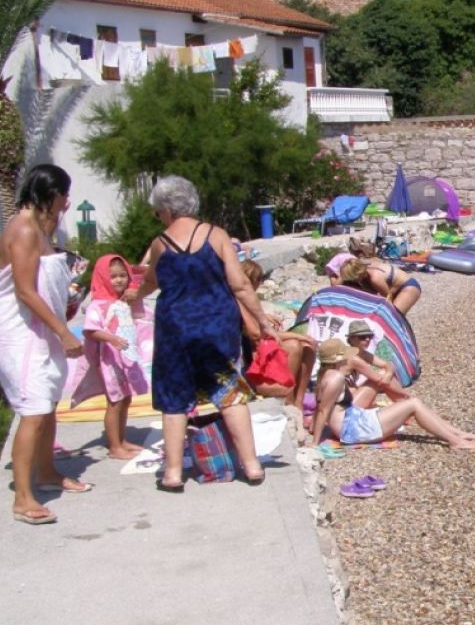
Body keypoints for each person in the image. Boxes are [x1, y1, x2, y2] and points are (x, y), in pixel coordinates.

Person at [131, 175, 279, 492]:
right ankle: (251, 465)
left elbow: (151, 282)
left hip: (175, 329)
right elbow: (239, 284)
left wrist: (135, 295)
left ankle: (172, 473)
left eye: (158, 210)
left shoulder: (160, 244)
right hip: (216, 326)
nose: (159, 216)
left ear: (167, 209)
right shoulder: (217, 235)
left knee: (175, 400)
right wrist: (263, 322)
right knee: (231, 394)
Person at [0, 164, 87, 525]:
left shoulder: (40, 227)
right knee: (32, 408)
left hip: (39, 329)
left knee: (46, 405)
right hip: (20, 332)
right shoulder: (24, 229)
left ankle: (46, 472)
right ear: (51, 192)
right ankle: (23, 497)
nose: (68, 202)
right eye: (64, 194)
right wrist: (63, 332)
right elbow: (25, 291)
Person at [310, 339, 475, 450]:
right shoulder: (336, 378)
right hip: (352, 428)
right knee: (413, 404)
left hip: (352, 421)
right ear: (338, 358)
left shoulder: (326, 374)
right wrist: (315, 443)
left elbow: (321, 408)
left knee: (413, 403)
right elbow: (323, 410)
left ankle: (456, 434)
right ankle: (455, 440)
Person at [68, 254, 152, 460]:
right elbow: (90, 330)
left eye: (123, 275)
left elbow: (143, 319)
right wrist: (111, 339)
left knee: (126, 398)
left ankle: (121, 440)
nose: (119, 280)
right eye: (113, 276)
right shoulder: (98, 304)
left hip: (125, 361)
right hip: (110, 362)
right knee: (114, 401)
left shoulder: (126, 301)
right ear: (103, 277)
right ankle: (114, 446)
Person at [240, 259, 316, 409]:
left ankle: (297, 400)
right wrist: (297, 335)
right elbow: (256, 334)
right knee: (294, 345)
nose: (260, 284)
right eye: (258, 280)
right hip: (255, 359)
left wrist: (263, 316)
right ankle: (288, 398)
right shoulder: (238, 302)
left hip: (263, 348)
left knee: (308, 347)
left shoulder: (249, 303)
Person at [344, 319, 410, 403]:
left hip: (350, 397)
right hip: (345, 405)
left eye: (370, 336)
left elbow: (388, 365)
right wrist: (404, 393)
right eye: (362, 337)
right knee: (382, 376)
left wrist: (389, 374)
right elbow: (378, 379)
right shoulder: (352, 357)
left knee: (384, 374)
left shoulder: (362, 353)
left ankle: (406, 402)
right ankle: (407, 401)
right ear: (351, 339)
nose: (367, 339)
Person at [339, 257, 422, 316]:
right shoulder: (363, 263)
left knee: (393, 317)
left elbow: (388, 296)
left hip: (408, 287)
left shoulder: (375, 278)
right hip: (394, 288)